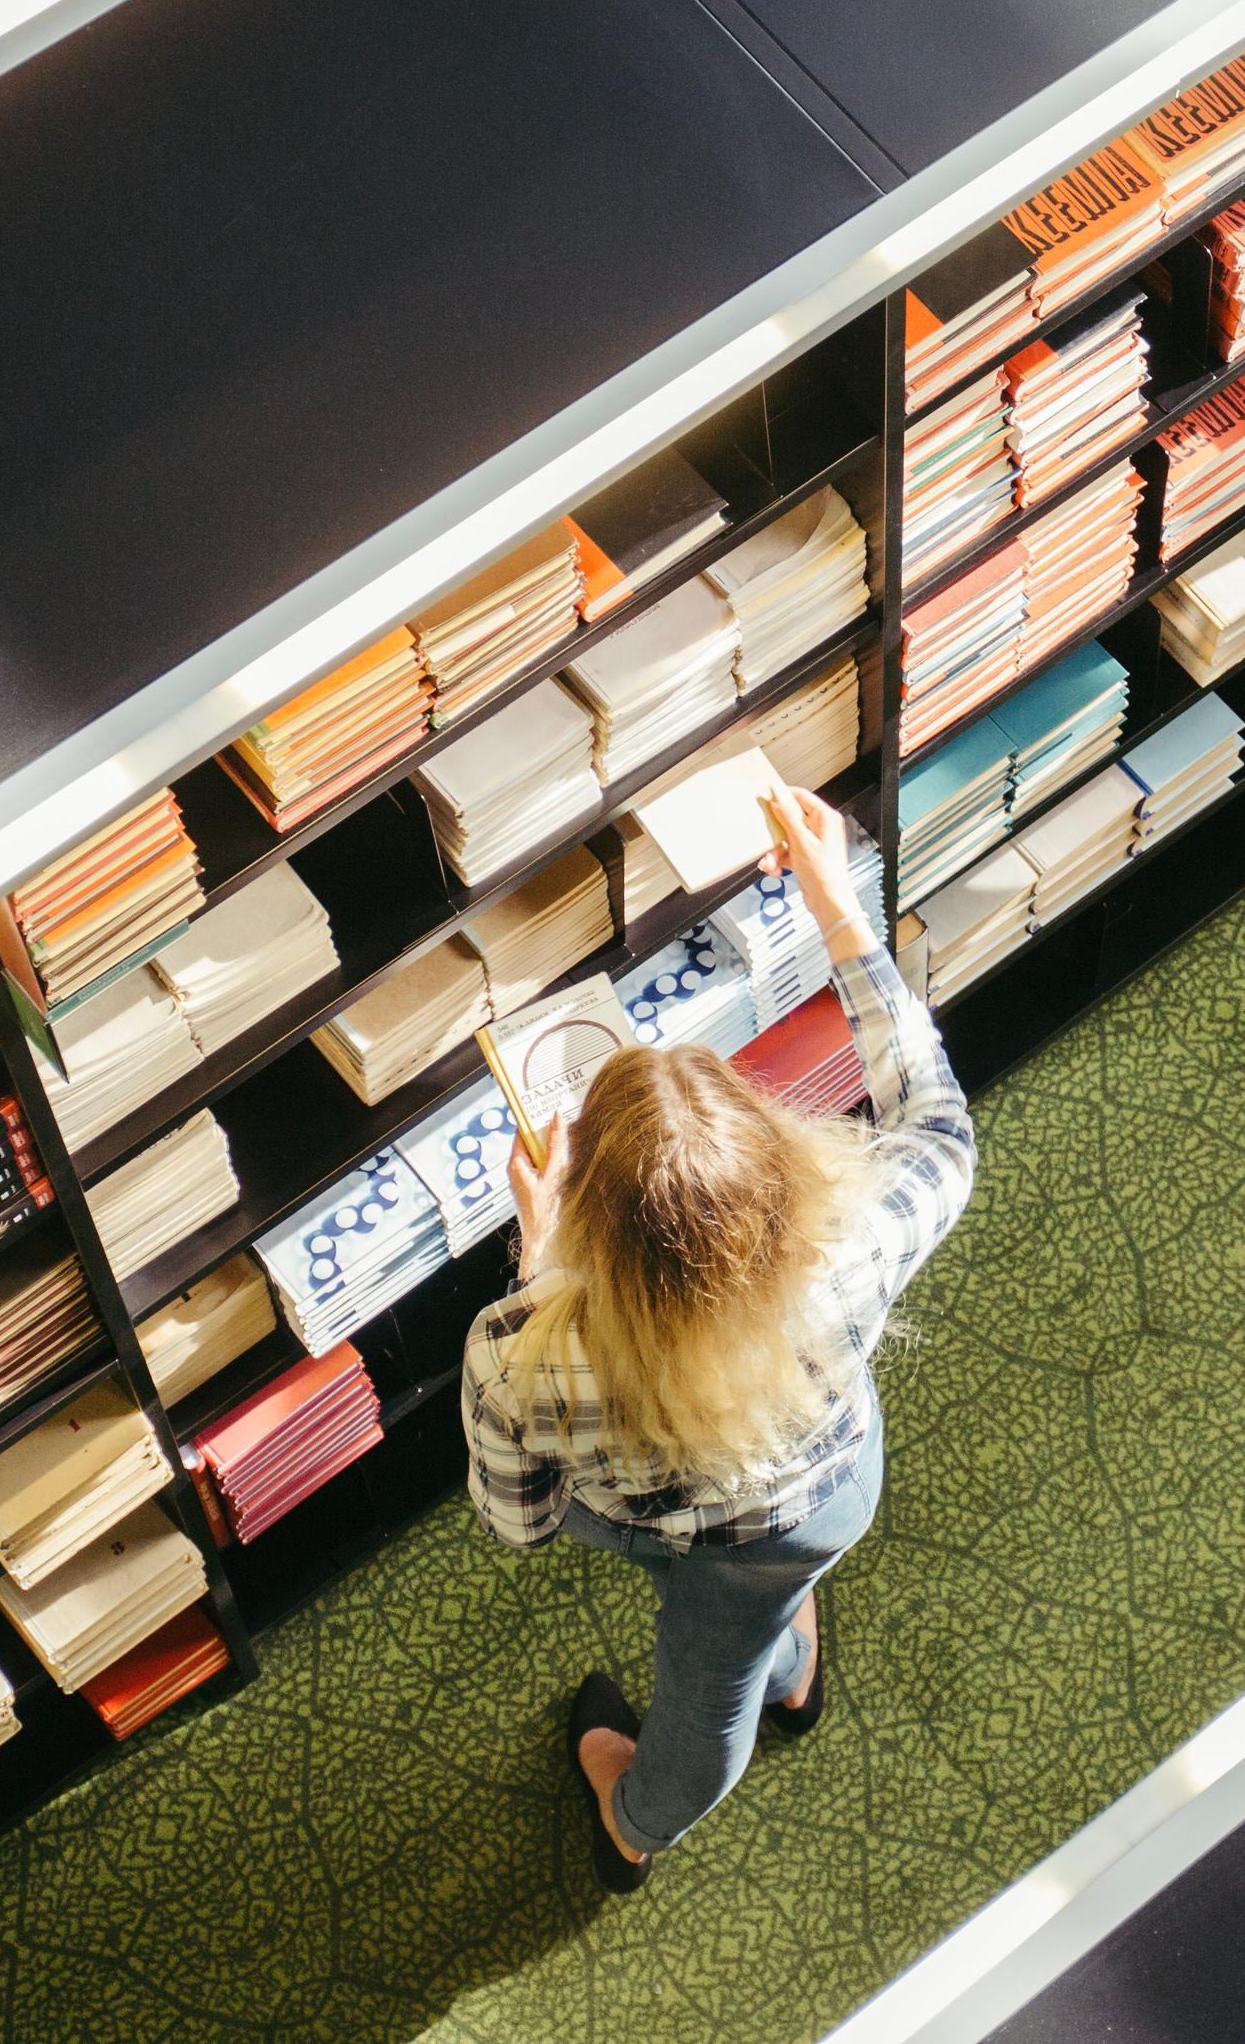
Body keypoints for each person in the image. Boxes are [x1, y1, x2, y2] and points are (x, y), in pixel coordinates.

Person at [459, 782, 972, 1891]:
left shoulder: (521, 1349)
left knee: (705, 1701)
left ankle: (641, 1819)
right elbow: (938, 1118)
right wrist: (840, 906)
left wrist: (542, 1264)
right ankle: (794, 1666)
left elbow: (524, 1522)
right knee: (764, 1618)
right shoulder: (853, 1242)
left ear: (596, 1222)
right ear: (773, 1154)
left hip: (673, 1528)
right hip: (825, 1495)